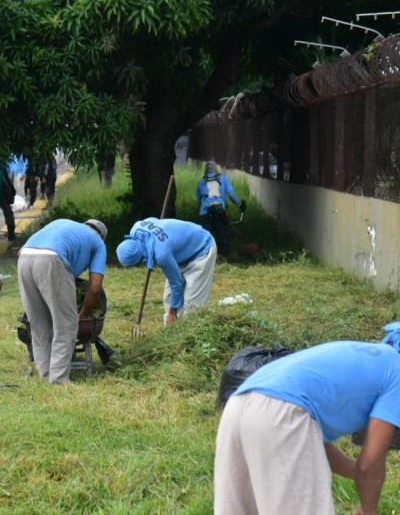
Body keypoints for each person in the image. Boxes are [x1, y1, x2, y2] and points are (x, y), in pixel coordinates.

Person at [215, 324, 400, 515]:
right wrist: (369, 509)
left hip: (237, 405)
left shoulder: (368, 357)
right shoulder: (397, 372)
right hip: (281, 414)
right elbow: (370, 464)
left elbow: (313, 446)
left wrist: (359, 474)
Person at [17, 218, 107, 384]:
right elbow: (95, 288)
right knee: (66, 324)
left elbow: (21, 251)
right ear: (101, 235)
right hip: (53, 259)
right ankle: (59, 380)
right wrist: (83, 313)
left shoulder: (62, 223)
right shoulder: (98, 242)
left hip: (24, 258)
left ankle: (45, 376)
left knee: (38, 322)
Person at [116, 217, 216, 325]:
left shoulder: (161, 255)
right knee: (168, 298)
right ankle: (172, 329)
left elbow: (176, 283)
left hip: (201, 248)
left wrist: (172, 313)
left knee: (192, 304)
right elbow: (153, 220)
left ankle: (191, 330)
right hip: (177, 251)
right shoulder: (136, 227)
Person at [196, 160, 245, 257]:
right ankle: (224, 257)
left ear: (205, 170)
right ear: (216, 168)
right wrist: (240, 205)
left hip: (204, 213)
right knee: (221, 236)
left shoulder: (201, 182)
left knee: (206, 238)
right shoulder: (223, 178)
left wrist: (200, 214)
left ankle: (206, 258)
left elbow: (199, 201)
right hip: (219, 211)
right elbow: (231, 195)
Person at [0, 166, 16, 242]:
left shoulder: (0, 166)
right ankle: (9, 235)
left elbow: (6, 180)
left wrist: (11, 189)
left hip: (0, 193)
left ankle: (10, 235)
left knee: (7, 213)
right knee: (6, 213)